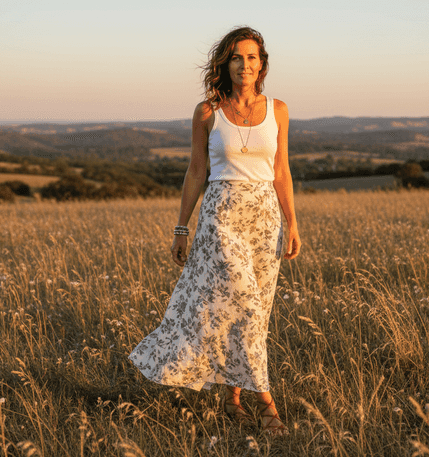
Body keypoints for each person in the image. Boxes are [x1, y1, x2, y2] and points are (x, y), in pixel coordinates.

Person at [128, 26, 300, 436]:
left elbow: (281, 171)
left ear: (262, 64)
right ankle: (267, 405)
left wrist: (293, 222)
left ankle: (232, 398)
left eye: (252, 57)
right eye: (237, 57)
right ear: (226, 63)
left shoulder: (278, 110)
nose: (245, 65)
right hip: (221, 216)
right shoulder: (207, 112)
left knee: (250, 315)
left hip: (265, 219)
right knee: (246, 306)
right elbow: (196, 170)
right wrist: (181, 226)